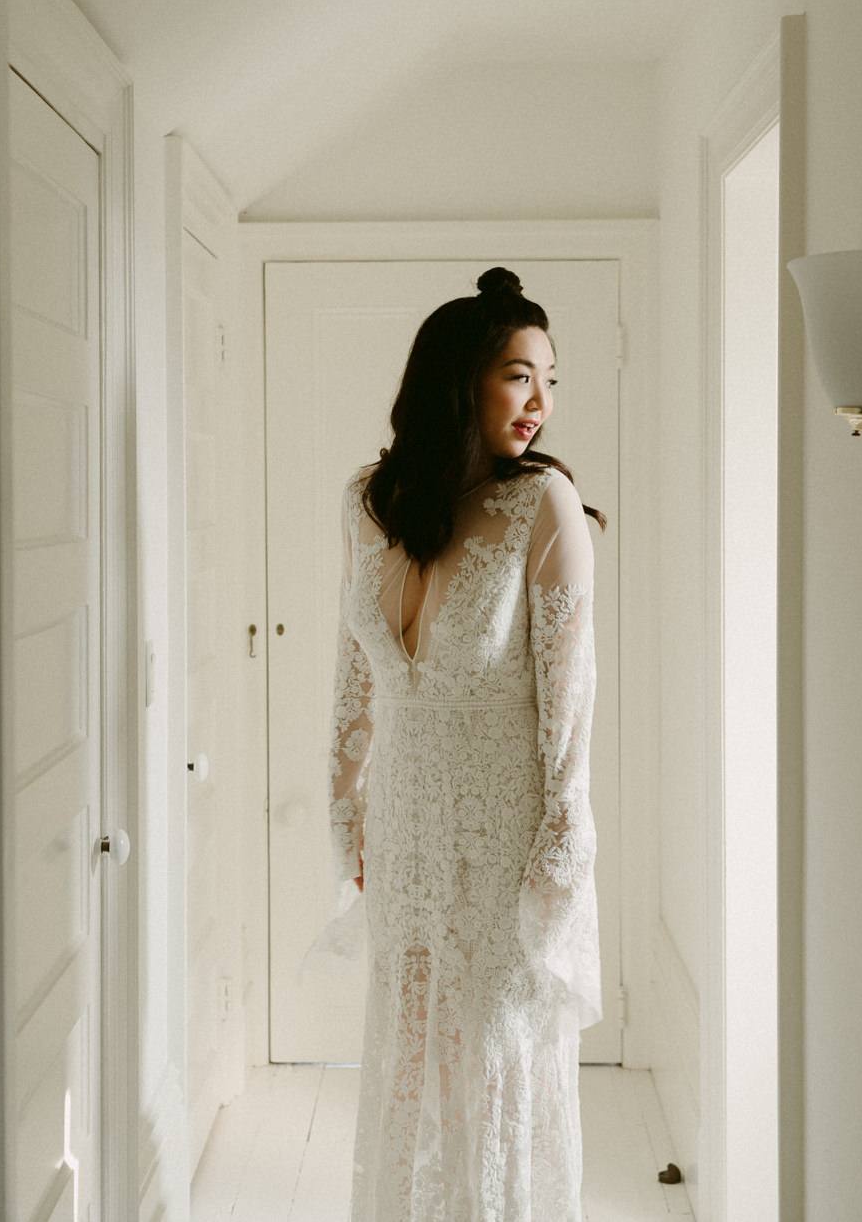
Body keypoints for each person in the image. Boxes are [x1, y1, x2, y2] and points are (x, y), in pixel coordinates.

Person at [328, 267, 604, 1222]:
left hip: (503, 840)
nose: (542, 403)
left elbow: (569, 715)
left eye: (549, 380)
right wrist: (346, 806)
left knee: (490, 1067)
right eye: (520, 376)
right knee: (411, 1056)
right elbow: (354, 674)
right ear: (459, 380)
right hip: (402, 831)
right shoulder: (372, 500)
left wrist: (561, 849)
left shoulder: (546, 509)